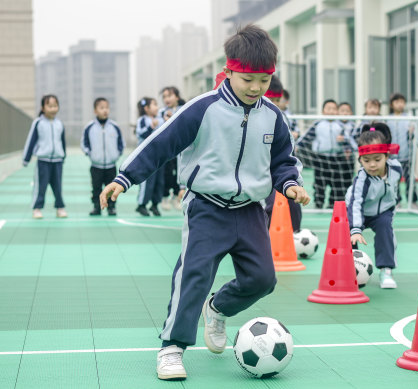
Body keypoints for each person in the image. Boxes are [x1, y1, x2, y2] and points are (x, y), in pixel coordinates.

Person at [99, 24, 308, 382]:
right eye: (247, 79)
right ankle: (171, 347)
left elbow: (283, 160)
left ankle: (218, 308)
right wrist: (124, 178)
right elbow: (160, 144)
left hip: (251, 211)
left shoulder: (273, 116)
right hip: (206, 209)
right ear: (228, 72)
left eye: (263, 80)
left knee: (262, 279)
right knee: (193, 276)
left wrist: (289, 185)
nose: (256, 87)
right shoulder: (203, 108)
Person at [346, 122, 401, 289]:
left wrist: (392, 207)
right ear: (360, 159)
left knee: (385, 228)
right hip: (358, 210)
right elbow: (356, 203)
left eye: (377, 159)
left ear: (387, 156)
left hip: (382, 211)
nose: (372, 165)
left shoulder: (396, 169)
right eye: (366, 160)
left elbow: (393, 189)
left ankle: (386, 270)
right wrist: (356, 229)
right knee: (348, 237)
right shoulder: (362, 179)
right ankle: (348, 271)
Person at [263, 75, 302, 232]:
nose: (275, 105)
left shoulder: (282, 118)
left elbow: (289, 152)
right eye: (271, 101)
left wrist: (294, 177)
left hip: (280, 171)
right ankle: (266, 237)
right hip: (261, 174)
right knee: (271, 204)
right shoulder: (252, 118)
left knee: (293, 201)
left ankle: (295, 234)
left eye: (278, 101)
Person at [22, 94, 67, 219]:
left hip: (57, 161)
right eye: (50, 106)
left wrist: (63, 156)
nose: (53, 108)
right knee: (40, 186)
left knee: (58, 186)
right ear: (43, 108)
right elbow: (31, 141)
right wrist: (26, 158)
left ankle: (60, 207)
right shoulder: (38, 123)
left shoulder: (59, 124)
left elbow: (62, 141)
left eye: (55, 106)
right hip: (43, 161)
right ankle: (37, 208)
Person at [81, 97, 125, 216]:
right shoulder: (89, 127)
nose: (105, 110)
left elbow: (121, 143)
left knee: (111, 187)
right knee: (96, 188)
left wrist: (117, 154)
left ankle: (111, 207)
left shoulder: (114, 126)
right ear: (95, 111)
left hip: (111, 165)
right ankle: (97, 207)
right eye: (101, 108)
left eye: (106, 108)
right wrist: (90, 153)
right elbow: (84, 143)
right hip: (96, 166)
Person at [311, 99, 355, 208]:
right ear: (323, 111)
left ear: (337, 111)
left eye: (334, 109)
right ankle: (319, 203)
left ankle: (332, 204)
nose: (331, 111)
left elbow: (350, 142)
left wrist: (344, 140)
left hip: (336, 158)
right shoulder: (317, 124)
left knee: (336, 183)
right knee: (319, 183)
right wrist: (297, 146)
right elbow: (307, 137)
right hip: (321, 158)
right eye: (328, 108)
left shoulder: (340, 125)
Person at [387, 93, 418, 209]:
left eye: (402, 102)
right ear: (392, 104)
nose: (400, 105)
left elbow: (414, 135)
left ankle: (413, 201)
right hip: (392, 157)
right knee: (394, 180)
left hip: (406, 155)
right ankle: (397, 201)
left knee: (410, 180)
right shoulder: (387, 119)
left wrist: (412, 131)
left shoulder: (409, 118)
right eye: (397, 102)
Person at [135, 97, 164, 216]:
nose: (157, 107)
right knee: (147, 182)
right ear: (146, 108)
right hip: (147, 157)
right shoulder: (142, 120)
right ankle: (141, 205)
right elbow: (141, 134)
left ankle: (155, 204)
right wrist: (151, 126)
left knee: (159, 182)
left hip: (160, 156)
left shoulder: (160, 119)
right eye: (154, 104)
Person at [160, 86, 187, 211]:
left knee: (179, 174)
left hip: (181, 150)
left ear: (177, 97)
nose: (167, 99)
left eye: (169, 96)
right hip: (167, 151)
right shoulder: (161, 113)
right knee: (167, 174)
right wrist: (165, 121)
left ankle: (176, 197)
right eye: (164, 97)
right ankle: (165, 198)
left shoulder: (185, 109)